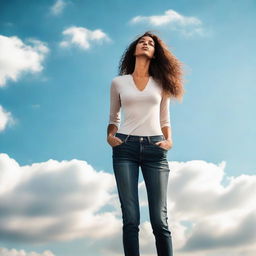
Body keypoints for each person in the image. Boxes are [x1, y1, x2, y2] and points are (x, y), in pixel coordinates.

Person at [107, 31, 185, 256]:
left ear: (155, 53)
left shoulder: (161, 83)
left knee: (160, 220)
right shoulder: (118, 82)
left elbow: (164, 118)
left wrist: (169, 141)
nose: (145, 44)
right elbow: (114, 117)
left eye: (150, 43)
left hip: (155, 149)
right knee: (130, 219)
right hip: (125, 149)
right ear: (134, 49)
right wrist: (111, 136)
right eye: (142, 42)